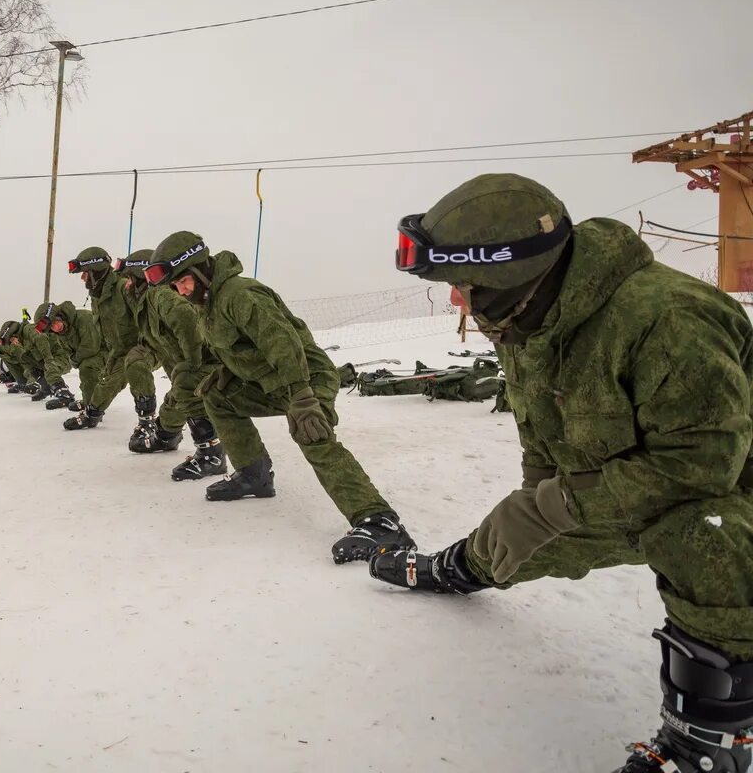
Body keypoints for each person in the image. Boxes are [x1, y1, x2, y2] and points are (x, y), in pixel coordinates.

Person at [369, 173, 753, 772]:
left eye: (461, 286)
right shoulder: (527, 317)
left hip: (722, 491)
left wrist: (555, 506)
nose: (457, 302)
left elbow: (701, 465)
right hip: (623, 488)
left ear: (508, 277)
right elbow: (540, 429)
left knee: (701, 536)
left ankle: (708, 749)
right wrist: (535, 501)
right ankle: (457, 569)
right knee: (519, 535)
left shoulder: (668, 317)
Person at [145, 232, 414, 562]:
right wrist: (226, 371)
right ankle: (254, 474)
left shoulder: (240, 294)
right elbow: (238, 347)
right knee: (217, 395)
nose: (182, 291)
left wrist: (303, 398)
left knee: (310, 429)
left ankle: (380, 521)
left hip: (304, 376)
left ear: (200, 270)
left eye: (184, 281)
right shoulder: (208, 305)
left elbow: (283, 344)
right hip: (268, 383)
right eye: (175, 286)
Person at [118, 249, 228, 480]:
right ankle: (167, 437)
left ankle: (212, 455)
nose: (126, 284)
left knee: (189, 388)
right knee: (176, 401)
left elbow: (186, 318)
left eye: (128, 278)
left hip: (207, 367)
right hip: (183, 370)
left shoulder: (160, 295)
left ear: (138, 276)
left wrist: (193, 363)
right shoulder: (146, 301)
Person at [65, 247, 158, 431]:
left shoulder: (123, 287)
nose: (82, 278)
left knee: (135, 369)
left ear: (96, 271)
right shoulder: (97, 296)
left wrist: (144, 347)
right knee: (108, 382)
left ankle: (148, 421)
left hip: (144, 346)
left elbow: (145, 315)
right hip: (118, 350)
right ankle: (92, 415)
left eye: (85, 274)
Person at [31, 300, 108, 430]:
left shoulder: (84, 318)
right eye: (51, 327)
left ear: (59, 316)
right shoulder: (61, 332)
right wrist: (74, 360)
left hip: (108, 351)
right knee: (86, 369)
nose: (55, 328)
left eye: (55, 323)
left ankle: (93, 412)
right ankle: (89, 401)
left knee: (87, 368)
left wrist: (75, 360)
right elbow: (68, 351)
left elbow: (91, 347)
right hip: (91, 354)